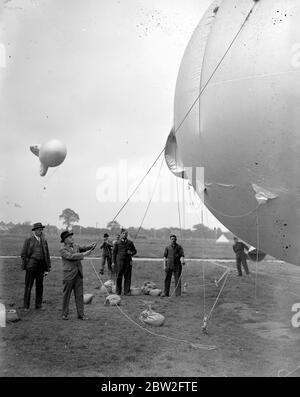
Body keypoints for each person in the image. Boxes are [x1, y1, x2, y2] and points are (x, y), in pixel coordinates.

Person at [59, 230, 96, 320]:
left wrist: (91, 246)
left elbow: (84, 247)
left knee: (79, 295)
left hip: (78, 275)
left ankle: (81, 314)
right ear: (65, 240)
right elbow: (72, 256)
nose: (72, 238)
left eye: (72, 237)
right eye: (69, 237)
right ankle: (64, 314)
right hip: (69, 275)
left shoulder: (76, 246)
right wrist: (84, 254)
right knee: (66, 295)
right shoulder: (62, 249)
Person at [20, 222, 51, 311]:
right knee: (28, 286)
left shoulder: (44, 240)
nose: (40, 231)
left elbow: (47, 254)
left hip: (41, 266)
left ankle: (39, 305)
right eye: (38, 229)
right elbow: (23, 254)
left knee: (40, 286)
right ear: (34, 230)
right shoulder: (29, 240)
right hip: (31, 266)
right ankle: (26, 306)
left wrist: (47, 267)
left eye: (41, 229)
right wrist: (28, 263)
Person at [113, 229, 137, 296]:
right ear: (121, 234)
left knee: (128, 277)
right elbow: (114, 254)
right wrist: (113, 262)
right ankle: (118, 291)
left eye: (126, 233)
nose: (125, 234)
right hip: (119, 262)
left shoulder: (130, 243)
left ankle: (127, 291)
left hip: (128, 262)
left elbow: (135, 251)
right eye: (123, 233)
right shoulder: (117, 243)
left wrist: (131, 252)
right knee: (118, 277)